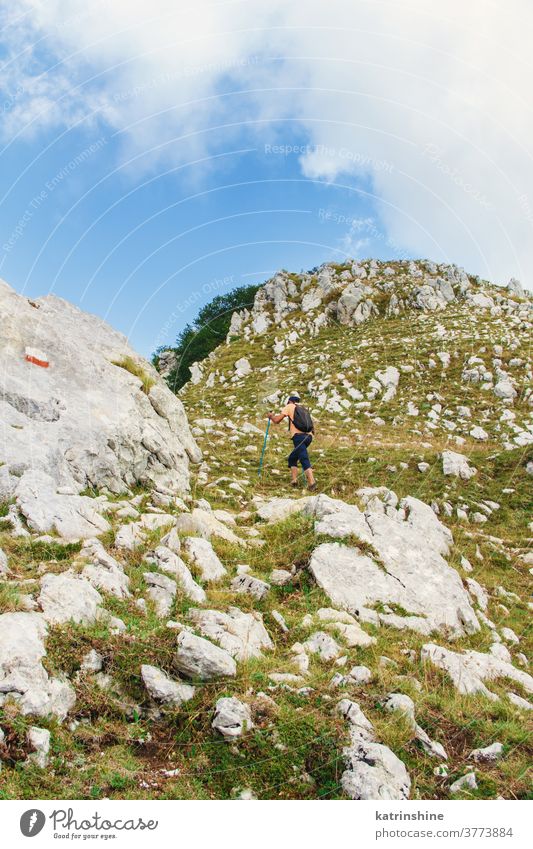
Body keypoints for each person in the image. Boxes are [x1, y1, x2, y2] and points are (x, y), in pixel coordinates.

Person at [268, 393, 316, 490]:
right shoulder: (304, 409)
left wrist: (271, 416)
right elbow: (312, 428)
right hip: (309, 437)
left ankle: (312, 483)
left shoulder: (289, 406)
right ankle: (294, 481)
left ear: (290, 401)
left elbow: (277, 420)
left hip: (299, 437)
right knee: (292, 458)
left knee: (303, 457)